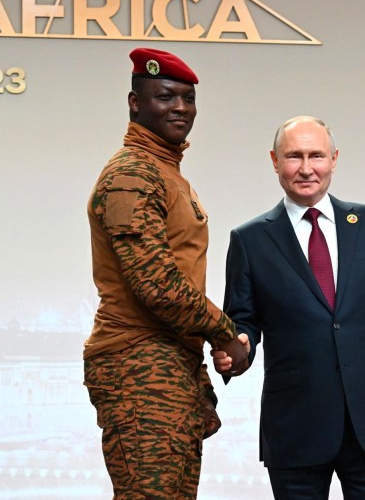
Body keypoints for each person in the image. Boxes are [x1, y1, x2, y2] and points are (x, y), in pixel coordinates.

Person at [212, 116, 365, 500]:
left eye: (316, 155)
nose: (305, 168)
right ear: (274, 161)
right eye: (293, 156)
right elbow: (242, 320)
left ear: (334, 159)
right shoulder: (249, 240)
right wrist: (236, 348)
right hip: (295, 422)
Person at [83, 47, 249, 500]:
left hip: (168, 360)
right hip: (138, 363)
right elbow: (157, 284)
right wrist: (224, 332)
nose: (180, 108)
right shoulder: (132, 175)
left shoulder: (164, 171)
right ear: (135, 103)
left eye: (188, 99)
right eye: (165, 97)